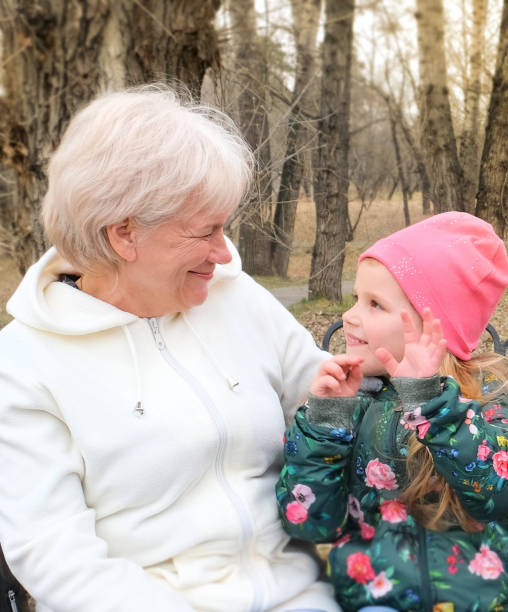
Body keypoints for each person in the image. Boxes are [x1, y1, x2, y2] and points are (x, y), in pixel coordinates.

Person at [0, 85, 340, 612]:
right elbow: (54, 553)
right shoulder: (24, 363)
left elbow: (325, 398)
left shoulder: (235, 297)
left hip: (296, 595)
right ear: (123, 235)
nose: (223, 253)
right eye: (206, 231)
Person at [276, 212, 508, 612]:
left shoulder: (489, 402)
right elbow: (310, 523)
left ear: (434, 327)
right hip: (377, 602)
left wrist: (432, 404)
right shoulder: (355, 403)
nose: (349, 316)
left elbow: (497, 496)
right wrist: (325, 422)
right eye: (355, 299)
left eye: (375, 305)